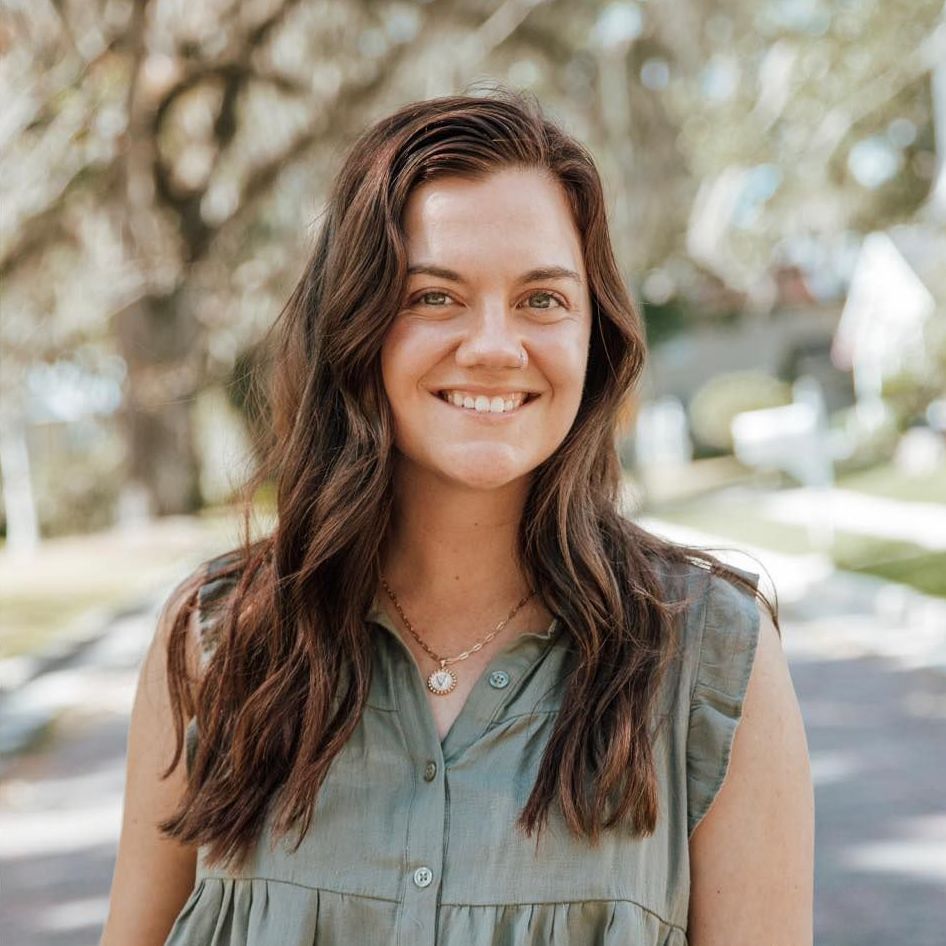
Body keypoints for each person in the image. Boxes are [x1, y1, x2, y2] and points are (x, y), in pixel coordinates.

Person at [100, 90, 814, 946]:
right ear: (353, 326)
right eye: (435, 296)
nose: (493, 345)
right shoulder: (217, 644)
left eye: (542, 300)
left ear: (597, 338)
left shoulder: (715, 660)